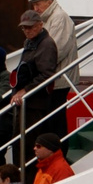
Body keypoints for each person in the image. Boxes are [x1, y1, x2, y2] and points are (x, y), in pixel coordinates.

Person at [13, 9, 63, 160]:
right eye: (24, 27)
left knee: (28, 146)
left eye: (30, 27)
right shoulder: (31, 42)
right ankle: (23, 179)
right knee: (21, 144)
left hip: (36, 104)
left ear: (40, 25)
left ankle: (28, 181)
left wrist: (25, 90)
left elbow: (47, 75)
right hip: (28, 102)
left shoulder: (46, 44)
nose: (27, 30)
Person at [30, 0, 78, 70]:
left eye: (38, 4)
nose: (35, 9)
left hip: (59, 74)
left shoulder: (59, 17)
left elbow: (56, 48)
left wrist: (38, 66)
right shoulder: (48, 18)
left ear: (49, 2)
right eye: (34, 5)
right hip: (53, 72)